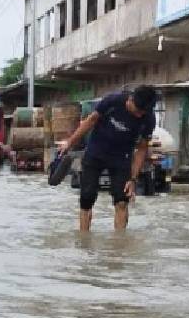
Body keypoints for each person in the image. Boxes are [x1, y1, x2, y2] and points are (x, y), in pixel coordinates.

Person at [59, 85, 157, 232]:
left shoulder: (148, 118)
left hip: (121, 158)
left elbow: (142, 148)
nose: (139, 115)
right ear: (130, 100)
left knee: (122, 201)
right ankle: (84, 241)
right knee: (87, 197)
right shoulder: (113, 101)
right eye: (137, 111)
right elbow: (90, 121)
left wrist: (133, 178)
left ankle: (119, 246)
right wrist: (69, 143)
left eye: (143, 112)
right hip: (96, 152)